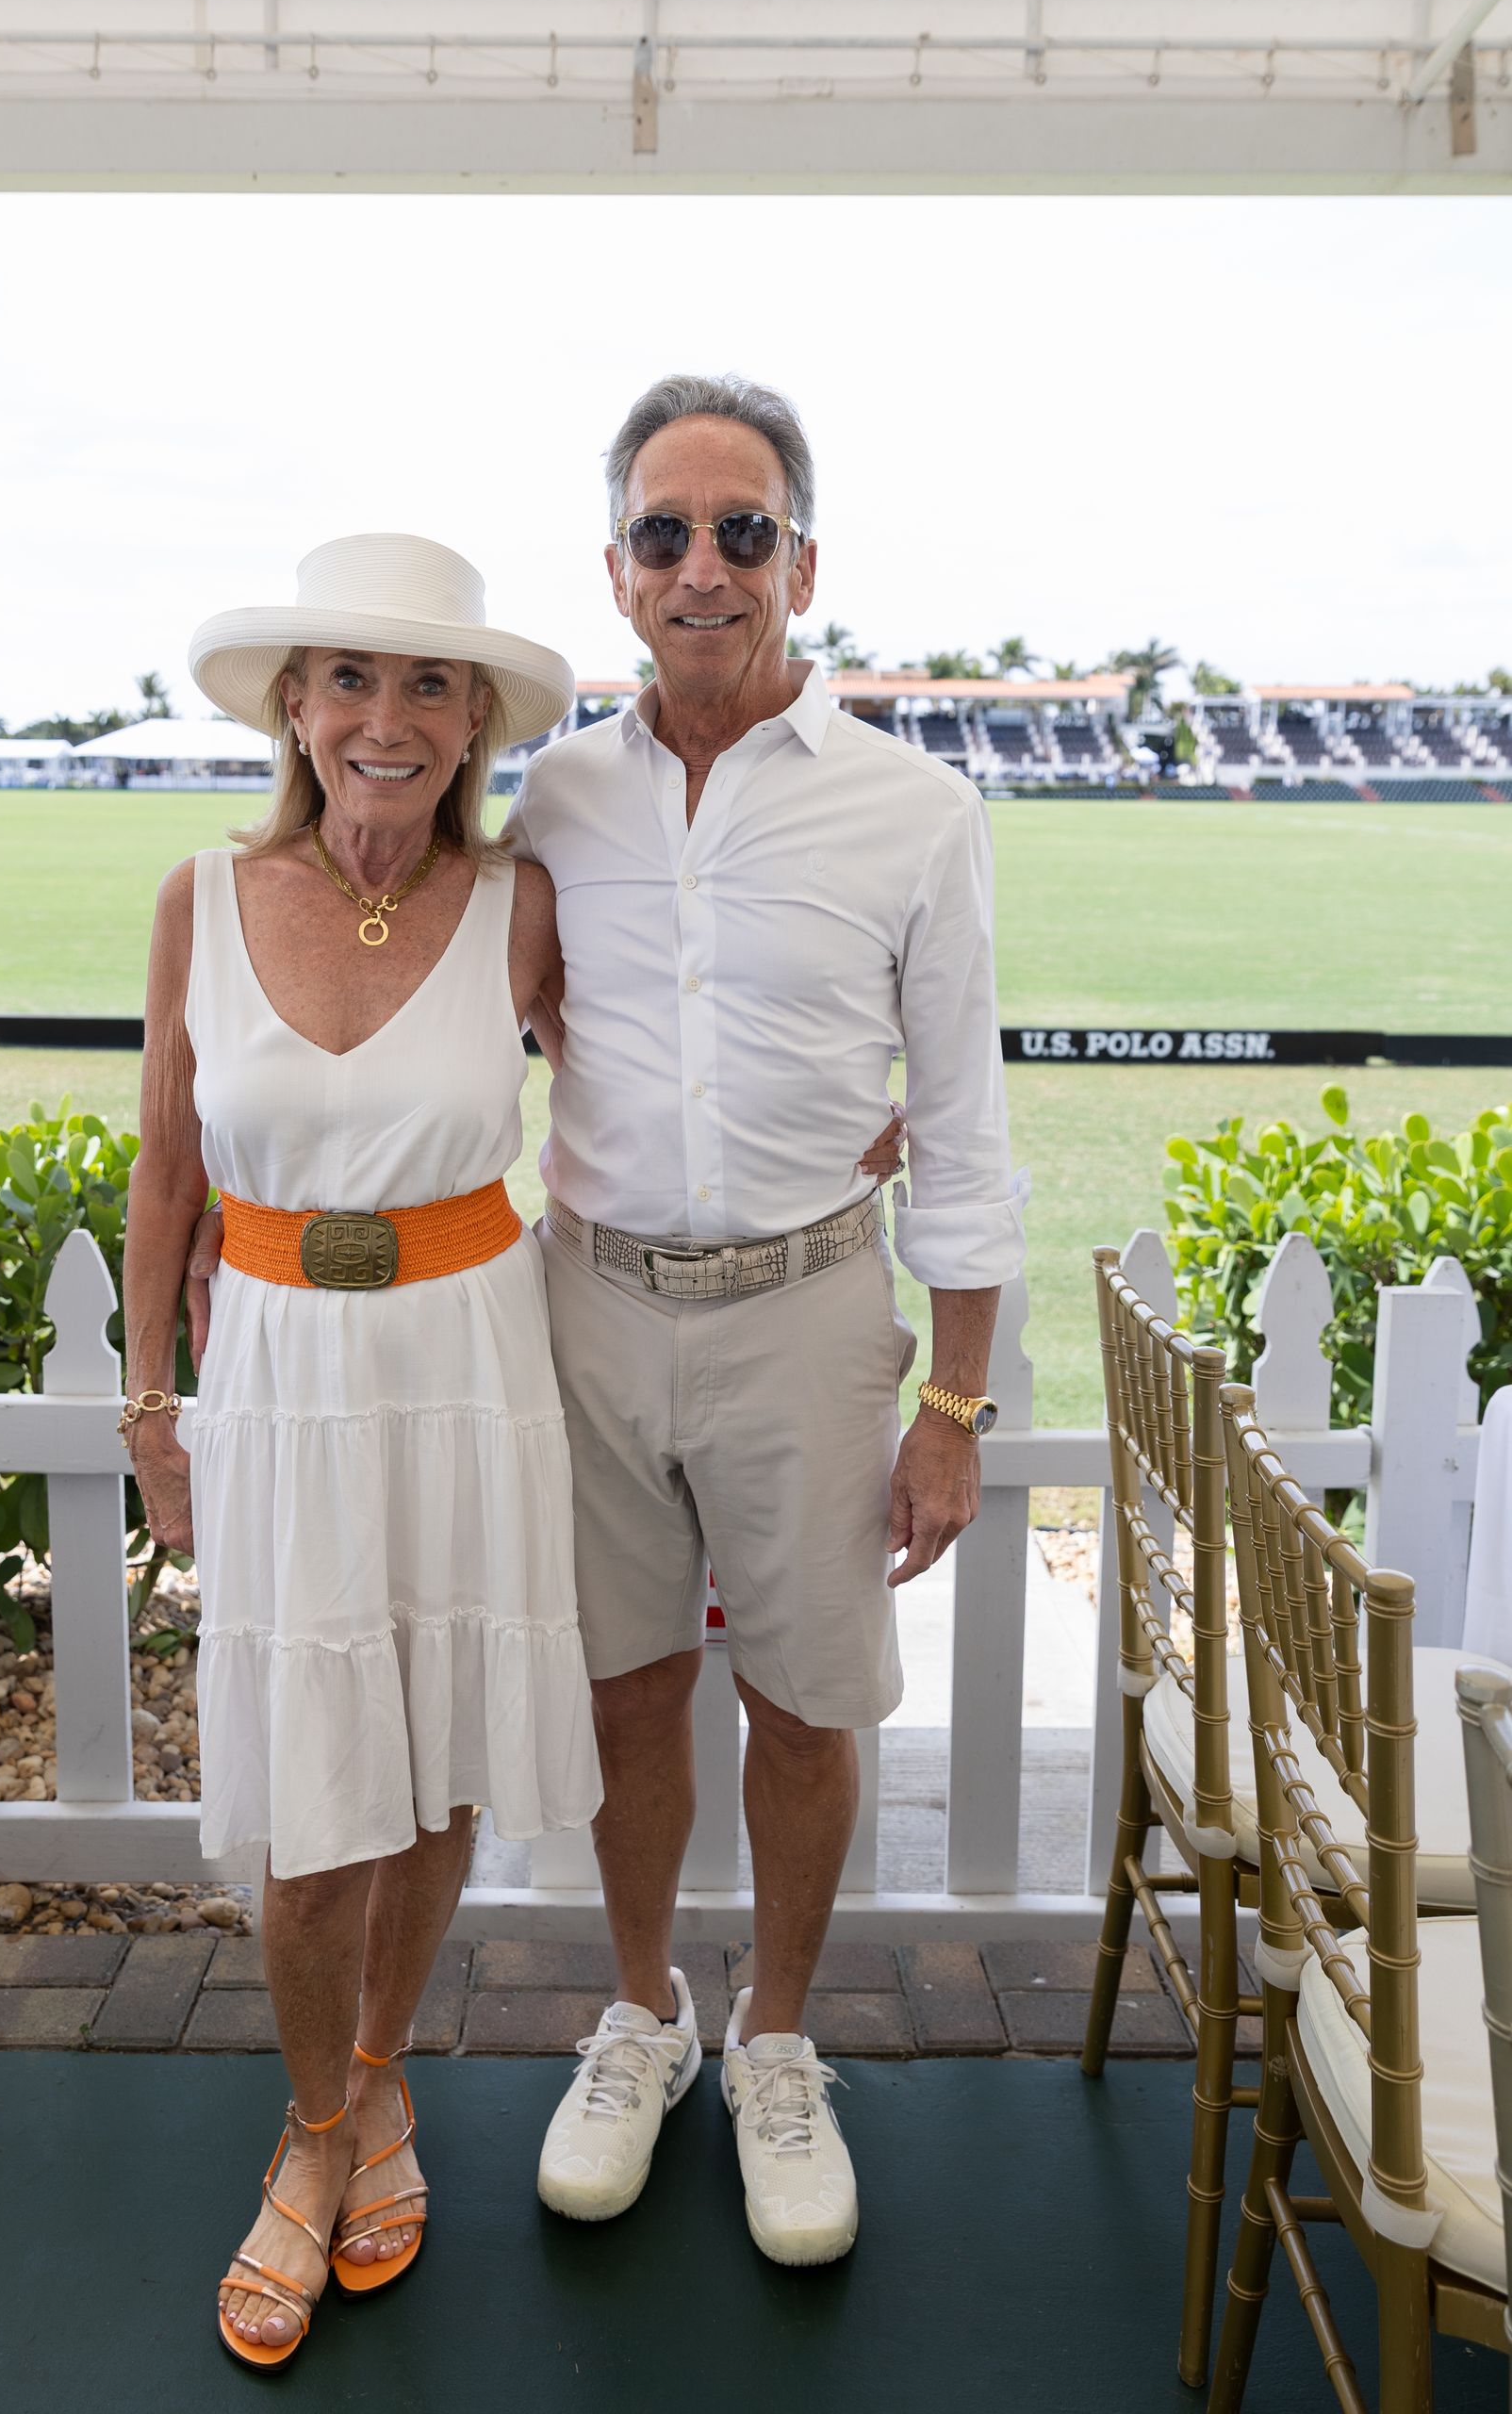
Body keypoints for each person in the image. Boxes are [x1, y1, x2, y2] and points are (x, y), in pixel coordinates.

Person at [518, 375, 1024, 2267]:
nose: (705, 565)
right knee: (624, 1688)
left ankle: (782, 2039)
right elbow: (489, 1020)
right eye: (666, 532)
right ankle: (644, 2013)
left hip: (812, 1312)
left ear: (804, 558)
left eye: (743, 531)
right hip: (592, 1302)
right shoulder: (554, 793)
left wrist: (953, 1398)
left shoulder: (920, 811)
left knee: (807, 1703)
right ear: (621, 570)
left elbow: (964, 1127)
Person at [122, 534, 600, 2369]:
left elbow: (646, 1084)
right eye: (348, 680)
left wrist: (823, 1137)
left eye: (425, 685)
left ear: (472, 715)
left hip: (470, 1366)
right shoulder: (197, 896)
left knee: (431, 1767)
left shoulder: (525, 904)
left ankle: (383, 2083)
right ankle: (312, 2135)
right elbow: (170, 1166)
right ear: (294, 709)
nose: (385, 719)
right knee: (316, 1798)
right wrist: (151, 1399)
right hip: (281, 1382)